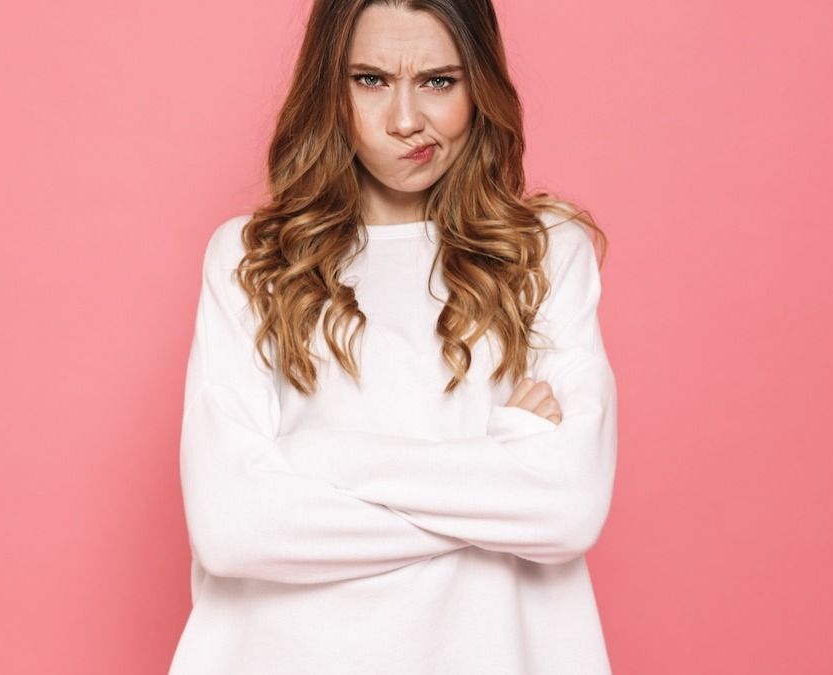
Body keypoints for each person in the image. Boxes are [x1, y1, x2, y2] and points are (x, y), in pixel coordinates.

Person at [167, 0, 617, 673]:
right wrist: (498, 467)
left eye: (438, 81)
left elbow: (566, 508)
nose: (406, 120)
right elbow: (233, 528)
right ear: (330, 87)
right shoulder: (251, 259)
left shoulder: (545, 254)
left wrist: (318, 456)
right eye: (371, 80)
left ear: (479, 84)